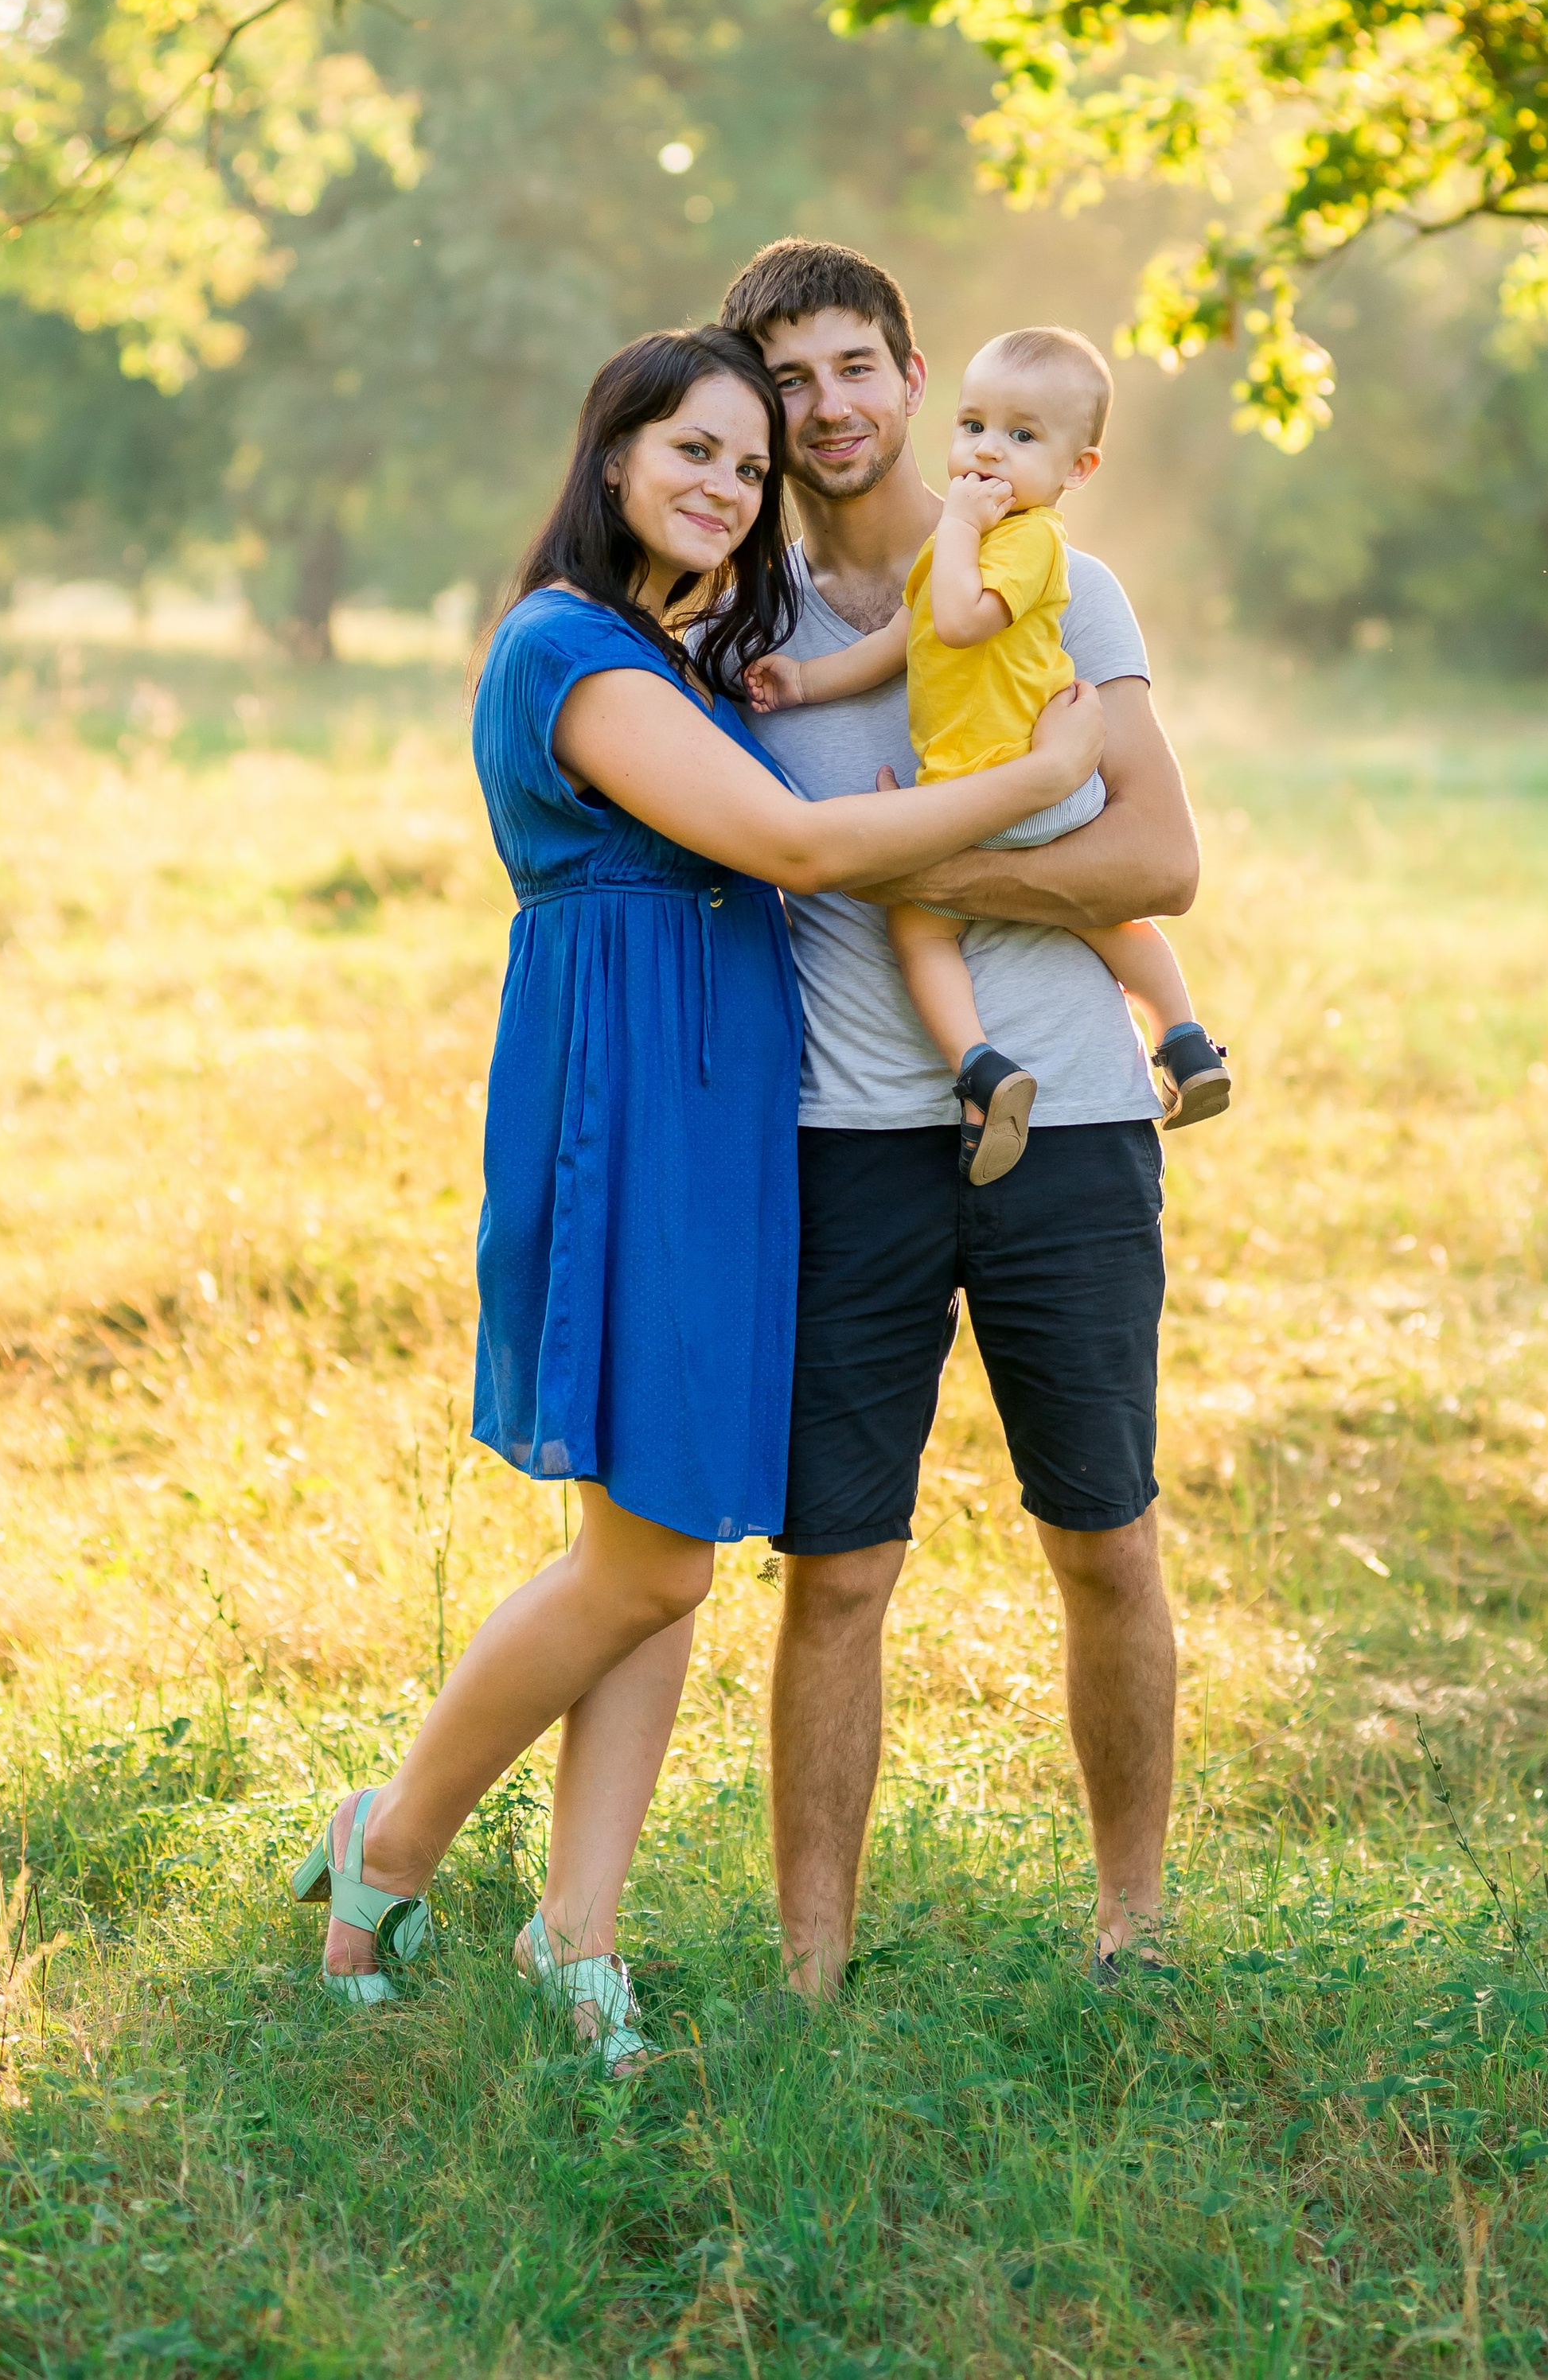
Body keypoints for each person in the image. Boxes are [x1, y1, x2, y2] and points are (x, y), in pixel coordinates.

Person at [287, 324, 1103, 2071]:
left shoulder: (679, 648)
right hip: (632, 1103)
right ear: (608, 458)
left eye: (749, 465)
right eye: (694, 451)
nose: (729, 485)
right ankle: (395, 1836)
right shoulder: (573, 651)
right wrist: (1037, 781)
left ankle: (576, 1933)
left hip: (734, 1105)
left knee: (664, 1542)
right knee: (645, 1565)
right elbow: (801, 849)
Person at [719, 239, 1203, 1992]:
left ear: (910, 378)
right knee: (834, 1572)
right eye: (784, 378)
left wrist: (945, 860)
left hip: (1069, 1121)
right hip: (845, 1138)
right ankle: (810, 1973)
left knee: (1102, 1537)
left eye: (852, 365)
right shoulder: (736, 622)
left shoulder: (1060, 580)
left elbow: (1160, 859)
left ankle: (1132, 1929)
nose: (824, 406)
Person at [746, 320, 1230, 1182]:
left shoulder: (1030, 543)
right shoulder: (940, 557)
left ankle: (979, 1064)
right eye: (975, 429)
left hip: (1006, 784)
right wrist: (804, 683)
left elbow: (962, 620)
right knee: (1108, 922)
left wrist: (962, 526)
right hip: (857, 1128)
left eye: (1021, 437)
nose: (987, 454)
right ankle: (1184, 1041)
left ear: (1076, 471)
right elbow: (904, 637)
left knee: (920, 927)